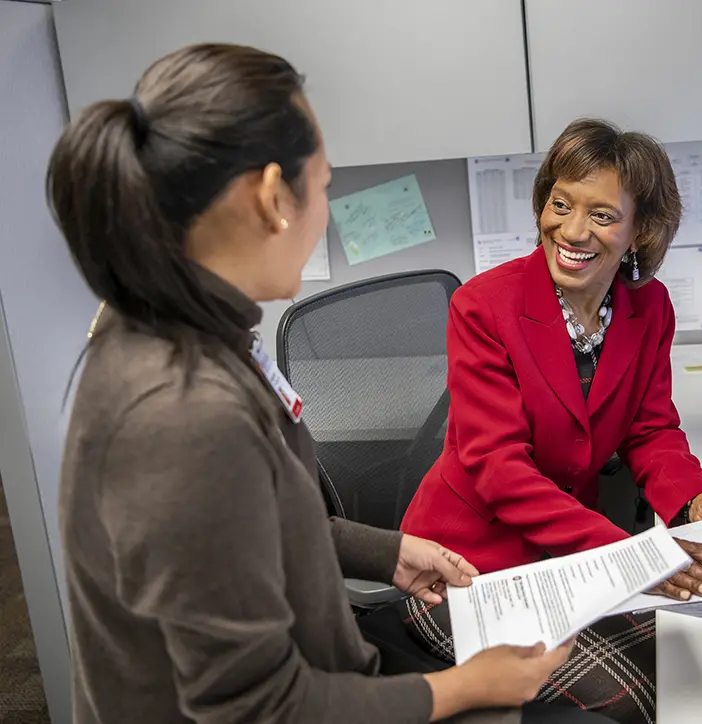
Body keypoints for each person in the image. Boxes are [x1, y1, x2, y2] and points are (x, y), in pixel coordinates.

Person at [50, 43, 617, 724]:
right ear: (269, 198)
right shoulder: (183, 416)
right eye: (321, 185)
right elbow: (256, 710)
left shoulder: (170, 322)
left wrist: (384, 552)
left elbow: (250, 524)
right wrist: (469, 688)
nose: (325, 207)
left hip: (334, 665)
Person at [399, 119, 702, 723]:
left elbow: (651, 428)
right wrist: (634, 557)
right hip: (463, 571)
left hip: (567, 559)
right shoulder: (483, 307)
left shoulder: (649, 307)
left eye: (603, 216)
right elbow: (498, 467)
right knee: (644, 699)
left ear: (641, 231)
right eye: (560, 204)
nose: (572, 230)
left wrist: (694, 500)